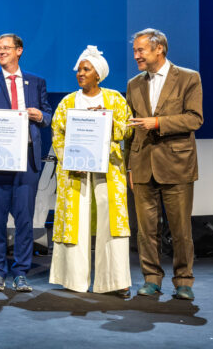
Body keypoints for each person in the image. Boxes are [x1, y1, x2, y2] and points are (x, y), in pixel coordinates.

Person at [48, 46, 132, 296]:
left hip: (109, 169)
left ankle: (117, 282)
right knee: (77, 220)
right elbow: (57, 133)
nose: (80, 73)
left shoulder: (115, 99)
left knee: (111, 224)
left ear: (99, 74)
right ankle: (73, 279)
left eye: (86, 69)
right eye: (79, 70)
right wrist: (73, 160)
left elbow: (127, 129)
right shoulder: (68, 102)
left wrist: (105, 119)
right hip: (77, 171)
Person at [125, 28, 203, 300]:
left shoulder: (188, 78)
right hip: (143, 165)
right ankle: (151, 278)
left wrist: (158, 123)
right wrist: (130, 168)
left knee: (180, 229)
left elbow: (194, 119)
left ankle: (183, 281)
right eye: (135, 51)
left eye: (140, 50)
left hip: (177, 165)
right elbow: (130, 130)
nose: (136, 56)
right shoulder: (134, 84)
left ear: (159, 49)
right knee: (146, 230)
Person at [0, 33, 52, 293]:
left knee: (24, 221)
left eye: (6, 48)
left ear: (19, 50)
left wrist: (40, 114)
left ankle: (20, 273)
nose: (0, 52)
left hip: (27, 160)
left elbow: (48, 116)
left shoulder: (36, 81)